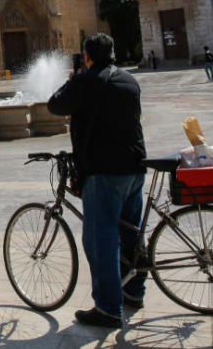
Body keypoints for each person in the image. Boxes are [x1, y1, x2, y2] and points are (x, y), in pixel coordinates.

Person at [47, 33, 147, 328]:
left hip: (105, 172)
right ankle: (134, 292)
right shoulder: (129, 80)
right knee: (131, 234)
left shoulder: (87, 81)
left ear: (88, 57)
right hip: (135, 167)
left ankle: (107, 308)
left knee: (99, 239)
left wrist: (75, 78)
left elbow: (55, 105)